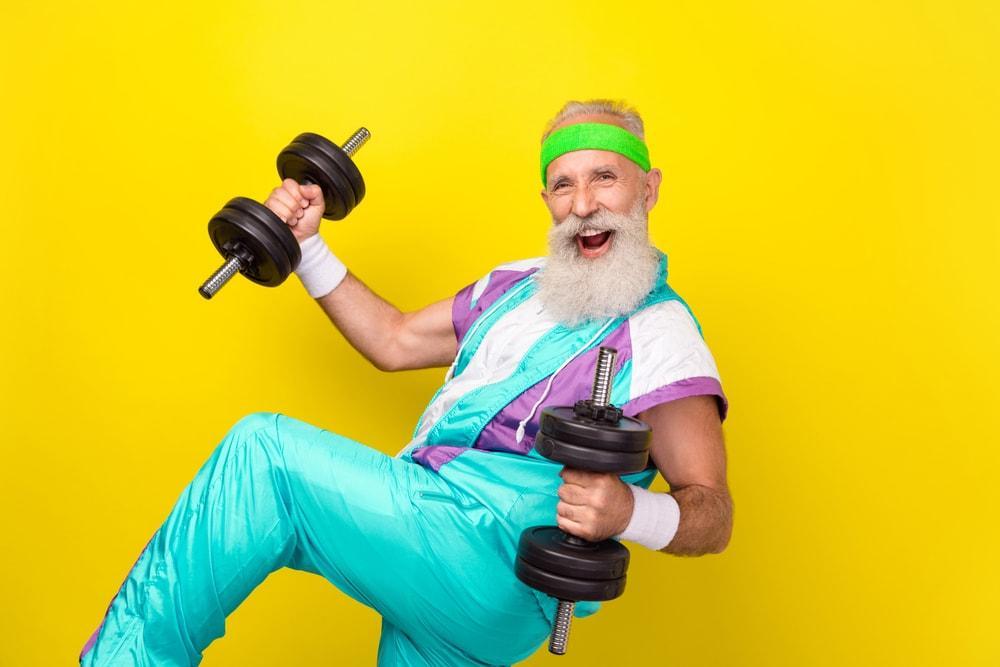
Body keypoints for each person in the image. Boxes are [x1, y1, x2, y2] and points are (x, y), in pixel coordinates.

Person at [80, 99, 733, 666]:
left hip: (489, 556)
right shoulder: (516, 286)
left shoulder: (661, 335)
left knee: (266, 458)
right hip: (438, 548)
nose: (584, 203)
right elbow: (392, 340)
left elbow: (713, 511)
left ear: (648, 188)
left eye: (605, 178)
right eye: (563, 184)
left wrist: (630, 511)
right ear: (546, 200)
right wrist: (306, 245)